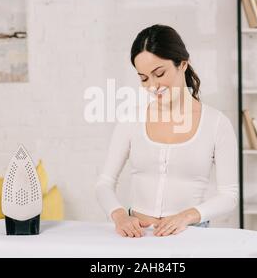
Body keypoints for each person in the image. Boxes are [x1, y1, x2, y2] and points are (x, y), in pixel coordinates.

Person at [95, 24, 238, 238]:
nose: (153, 85)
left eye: (159, 73)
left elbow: (229, 195)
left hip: (190, 236)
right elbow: (104, 184)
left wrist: (188, 216)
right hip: (138, 237)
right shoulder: (131, 120)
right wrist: (120, 216)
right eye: (143, 78)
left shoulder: (217, 123)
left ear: (182, 64)